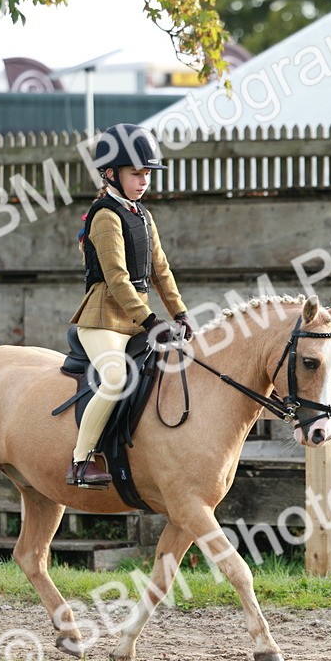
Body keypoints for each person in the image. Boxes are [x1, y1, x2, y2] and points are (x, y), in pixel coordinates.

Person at [67, 123, 192, 488]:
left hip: (137, 319)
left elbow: (160, 270)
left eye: (147, 174)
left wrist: (180, 312)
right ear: (110, 174)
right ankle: (81, 460)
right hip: (104, 319)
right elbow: (118, 279)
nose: (143, 182)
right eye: (135, 174)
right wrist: (152, 319)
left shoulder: (143, 216)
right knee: (116, 378)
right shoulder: (105, 216)